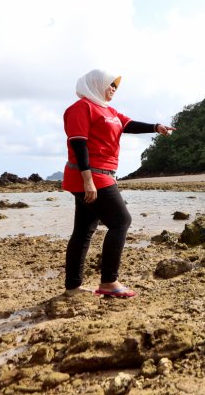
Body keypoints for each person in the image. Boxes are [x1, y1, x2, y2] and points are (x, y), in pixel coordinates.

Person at [62, 69, 175, 297]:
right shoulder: (81, 108)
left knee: (84, 230)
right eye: (110, 84)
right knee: (121, 221)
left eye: (116, 86)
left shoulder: (109, 110)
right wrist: (88, 181)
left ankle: (73, 288)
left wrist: (155, 127)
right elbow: (78, 144)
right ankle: (109, 282)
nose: (113, 89)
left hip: (102, 175)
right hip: (91, 176)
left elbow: (128, 124)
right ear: (95, 83)